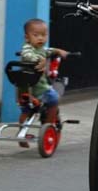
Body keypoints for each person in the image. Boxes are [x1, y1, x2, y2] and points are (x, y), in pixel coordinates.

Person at [17, 18, 69, 147]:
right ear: (27, 37)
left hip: (25, 91)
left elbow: (49, 50)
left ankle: (21, 133)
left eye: (44, 35)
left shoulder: (41, 49)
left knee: (26, 111)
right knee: (54, 99)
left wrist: (59, 51)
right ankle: (48, 125)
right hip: (38, 90)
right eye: (36, 35)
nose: (40, 38)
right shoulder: (27, 49)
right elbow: (27, 55)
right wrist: (38, 60)